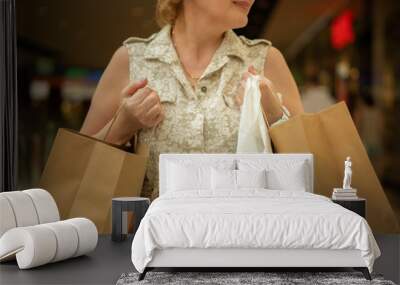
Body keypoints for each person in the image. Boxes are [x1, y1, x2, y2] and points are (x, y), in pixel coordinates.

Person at [80, 0, 304, 199]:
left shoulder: (266, 61)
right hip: (154, 241)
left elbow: (312, 171)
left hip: (245, 238)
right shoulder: (131, 60)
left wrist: (275, 115)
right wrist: (122, 126)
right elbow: (79, 170)